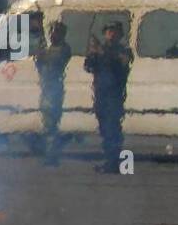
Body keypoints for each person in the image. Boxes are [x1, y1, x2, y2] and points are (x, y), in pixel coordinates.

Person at [84, 21, 134, 173]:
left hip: (114, 95)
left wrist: (102, 52)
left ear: (119, 34)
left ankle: (113, 162)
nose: (111, 34)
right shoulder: (100, 50)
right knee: (104, 128)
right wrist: (93, 53)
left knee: (113, 128)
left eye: (114, 31)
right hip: (101, 95)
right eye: (108, 31)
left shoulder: (124, 50)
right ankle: (110, 160)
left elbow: (123, 63)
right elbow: (88, 66)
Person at [33, 20, 72, 164]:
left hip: (54, 90)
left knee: (51, 124)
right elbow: (39, 62)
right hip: (47, 89)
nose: (52, 35)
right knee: (47, 123)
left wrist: (42, 51)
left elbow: (51, 59)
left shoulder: (63, 49)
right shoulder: (50, 48)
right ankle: (50, 152)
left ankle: (52, 155)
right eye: (51, 32)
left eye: (55, 32)